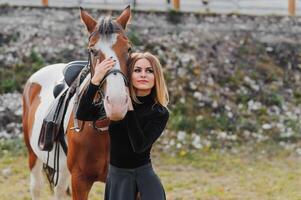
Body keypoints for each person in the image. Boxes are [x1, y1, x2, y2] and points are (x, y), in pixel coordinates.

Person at [76, 52, 169, 200]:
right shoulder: (115, 106)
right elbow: (82, 114)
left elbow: (139, 145)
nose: (143, 75)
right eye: (137, 70)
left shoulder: (159, 112)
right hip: (118, 179)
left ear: (156, 76)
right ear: (129, 75)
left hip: (144, 179)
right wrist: (95, 81)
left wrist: (129, 107)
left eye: (149, 71)